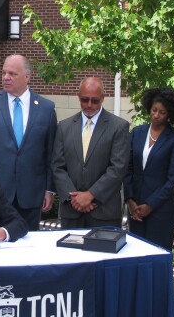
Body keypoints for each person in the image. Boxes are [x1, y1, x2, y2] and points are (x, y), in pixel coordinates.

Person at [0, 55, 57, 230]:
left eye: (12, 74)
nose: (6, 77)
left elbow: (51, 153)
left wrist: (49, 189)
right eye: (4, 73)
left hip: (30, 192)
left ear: (27, 77)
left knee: (28, 244)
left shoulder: (46, 108)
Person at [51, 76, 130, 228]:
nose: (89, 105)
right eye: (84, 99)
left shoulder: (119, 127)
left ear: (103, 98)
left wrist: (91, 195)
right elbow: (57, 166)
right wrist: (74, 198)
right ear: (78, 97)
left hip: (104, 212)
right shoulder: (64, 127)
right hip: (71, 213)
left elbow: (117, 169)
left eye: (95, 100)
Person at [124, 88, 174, 249]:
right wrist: (130, 200)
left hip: (161, 210)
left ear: (170, 114)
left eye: (162, 112)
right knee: (135, 254)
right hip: (135, 208)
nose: (156, 115)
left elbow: (173, 179)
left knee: (156, 254)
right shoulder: (137, 132)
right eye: (154, 110)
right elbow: (127, 168)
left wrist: (150, 205)